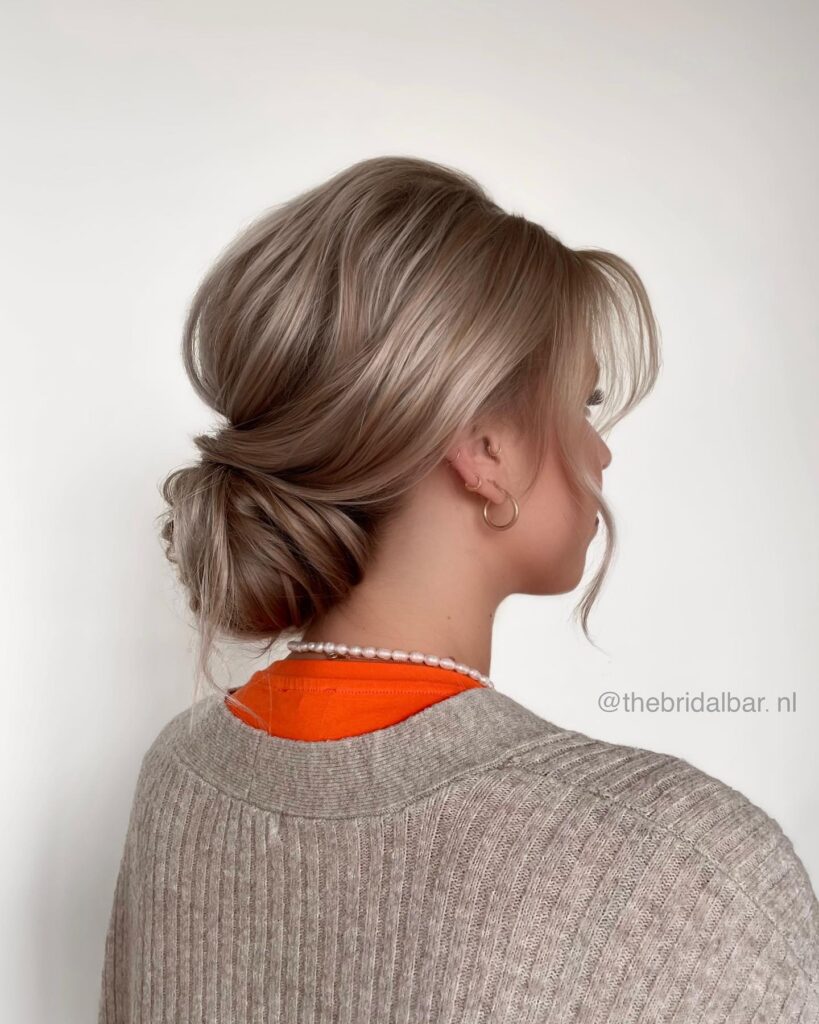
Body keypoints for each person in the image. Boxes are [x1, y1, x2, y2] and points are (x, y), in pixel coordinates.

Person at [98, 156, 819, 1022]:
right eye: (584, 405)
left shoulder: (181, 779)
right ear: (484, 448)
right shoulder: (680, 867)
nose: (601, 454)